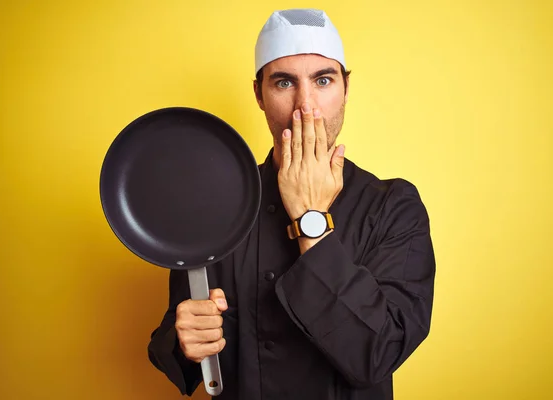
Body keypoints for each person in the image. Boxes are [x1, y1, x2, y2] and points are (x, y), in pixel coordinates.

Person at [147, 8, 436, 400]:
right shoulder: (217, 206)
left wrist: (309, 217)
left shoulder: (393, 207)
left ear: (346, 89)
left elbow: (378, 353)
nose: (306, 105)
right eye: (284, 82)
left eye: (323, 80)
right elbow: (174, 335)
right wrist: (183, 342)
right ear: (259, 95)